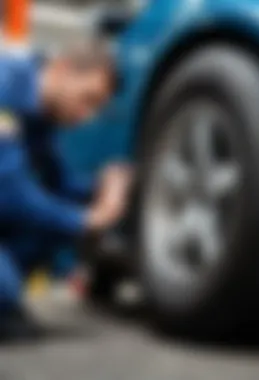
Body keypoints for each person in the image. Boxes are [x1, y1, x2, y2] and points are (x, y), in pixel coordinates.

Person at [0, 41, 134, 340]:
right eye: (87, 99)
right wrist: (87, 219)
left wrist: (101, 185)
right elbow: (10, 194)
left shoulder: (42, 112)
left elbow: (56, 183)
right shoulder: (5, 88)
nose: (86, 116)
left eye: (96, 108)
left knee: (52, 226)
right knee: (5, 288)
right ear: (61, 70)